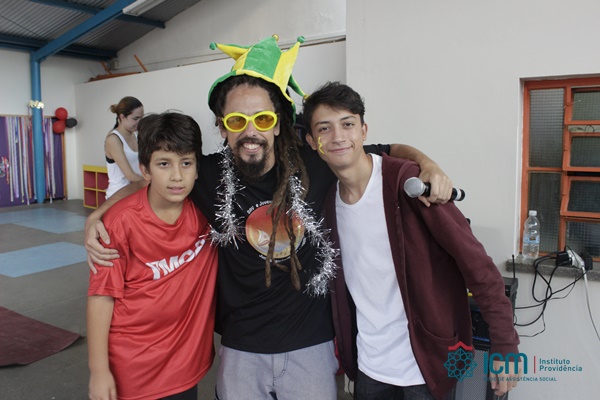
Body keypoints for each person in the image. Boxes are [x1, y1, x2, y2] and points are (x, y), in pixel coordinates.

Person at [85, 36, 453, 400]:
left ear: (277, 124)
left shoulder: (317, 163)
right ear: (223, 127)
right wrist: (99, 214)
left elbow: (386, 151)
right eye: (237, 120)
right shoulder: (205, 174)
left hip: (310, 342)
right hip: (241, 346)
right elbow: (152, 178)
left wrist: (429, 164)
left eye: (262, 119)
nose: (251, 132)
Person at [302, 81, 521, 400]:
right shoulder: (327, 204)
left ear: (363, 130)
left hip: (426, 367)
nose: (337, 136)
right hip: (370, 368)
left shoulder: (408, 183)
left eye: (347, 124)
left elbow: (478, 266)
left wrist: (506, 345)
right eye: (324, 128)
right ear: (312, 141)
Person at [87, 112, 218, 400]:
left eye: (186, 163)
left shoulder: (207, 208)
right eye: (163, 164)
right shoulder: (120, 222)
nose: (177, 176)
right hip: (134, 367)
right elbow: (101, 297)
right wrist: (98, 370)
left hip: (185, 364)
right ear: (145, 170)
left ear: (198, 168)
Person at [105, 96, 144, 199]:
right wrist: (154, 182)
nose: (139, 122)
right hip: (119, 195)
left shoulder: (136, 134)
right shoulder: (113, 139)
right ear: (122, 117)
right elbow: (130, 175)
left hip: (136, 191)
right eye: (135, 118)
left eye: (141, 118)